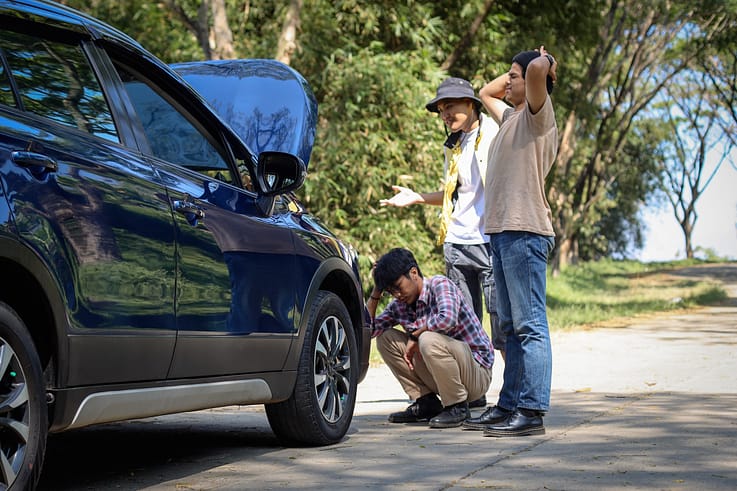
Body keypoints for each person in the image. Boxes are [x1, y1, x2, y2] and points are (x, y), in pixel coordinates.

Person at [462, 46, 558, 437]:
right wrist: (513, 73)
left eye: (514, 75)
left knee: (530, 324)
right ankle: (509, 405)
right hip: (502, 234)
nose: (509, 80)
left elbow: (536, 71)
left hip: (525, 230)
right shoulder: (510, 119)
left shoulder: (538, 115)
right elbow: (484, 93)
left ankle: (531, 411)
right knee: (511, 327)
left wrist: (543, 62)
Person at [380, 77, 505, 372]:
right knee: (463, 323)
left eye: (451, 106)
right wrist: (417, 198)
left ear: (472, 104)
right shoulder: (453, 144)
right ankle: (473, 394)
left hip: (490, 240)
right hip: (457, 242)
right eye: (441, 109)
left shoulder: (495, 132)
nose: (445, 114)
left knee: (502, 320)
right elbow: (456, 194)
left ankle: (512, 397)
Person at [366, 248, 493, 428]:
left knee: (427, 339)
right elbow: (368, 331)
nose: (397, 295)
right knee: (386, 338)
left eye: (398, 286)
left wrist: (415, 335)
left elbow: (447, 319)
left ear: (414, 273)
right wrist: (376, 292)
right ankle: (426, 402)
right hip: (442, 376)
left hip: (475, 374)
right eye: (390, 291)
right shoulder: (399, 306)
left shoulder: (440, 284)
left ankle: (457, 406)